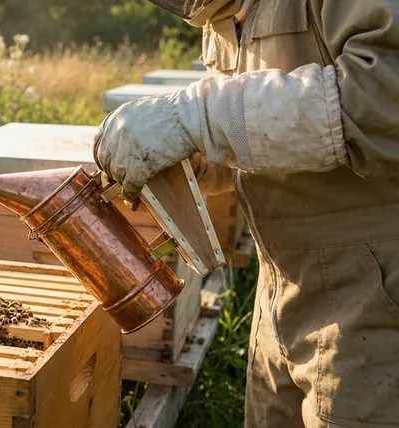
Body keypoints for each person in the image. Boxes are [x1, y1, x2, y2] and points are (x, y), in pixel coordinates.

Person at [92, 0, 399, 427]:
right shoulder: (224, 12)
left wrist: (196, 118)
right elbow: (261, 132)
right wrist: (192, 155)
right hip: (278, 287)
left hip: (377, 292)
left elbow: (384, 97)